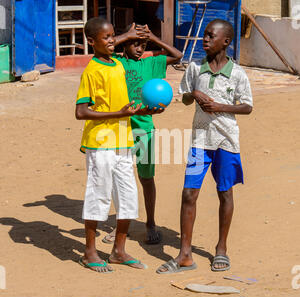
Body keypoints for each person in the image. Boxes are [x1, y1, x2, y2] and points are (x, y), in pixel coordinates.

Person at [156, 19, 253, 273]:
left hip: (226, 142)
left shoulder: (238, 73)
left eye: (211, 36)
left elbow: (247, 106)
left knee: (225, 193)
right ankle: (185, 254)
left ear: (226, 42)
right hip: (200, 141)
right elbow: (186, 98)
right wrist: (194, 95)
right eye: (205, 35)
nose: (205, 40)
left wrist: (219, 107)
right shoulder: (196, 68)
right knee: (189, 193)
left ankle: (221, 248)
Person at [75, 17, 159, 273]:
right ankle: (89, 252)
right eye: (107, 37)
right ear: (91, 42)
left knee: (128, 197)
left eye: (113, 36)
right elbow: (81, 112)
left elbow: (123, 105)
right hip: (100, 143)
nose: (112, 41)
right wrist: (119, 115)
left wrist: (144, 110)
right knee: (98, 195)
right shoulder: (92, 70)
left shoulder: (117, 66)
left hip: (123, 141)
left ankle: (118, 252)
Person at [101, 23, 183, 245]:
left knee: (146, 178)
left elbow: (177, 55)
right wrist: (127, 35)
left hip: (144, 128)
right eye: (134, 44)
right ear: (125, 45)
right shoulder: (117, 63)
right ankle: (123, 224)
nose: (139, 48)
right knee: (120, 179)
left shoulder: (151, 62)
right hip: (120, 128)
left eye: (142, 45)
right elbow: (103, 48)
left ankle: (150, 222)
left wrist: (154, 38)